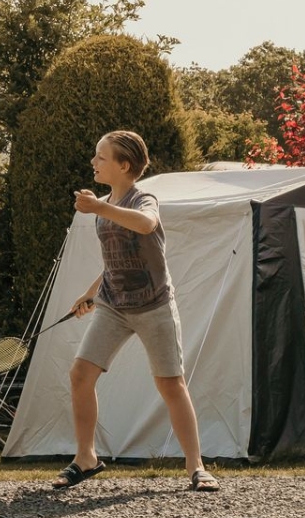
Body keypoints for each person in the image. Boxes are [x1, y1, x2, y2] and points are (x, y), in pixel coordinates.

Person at [53, 131, 218, 492]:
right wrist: (91, 293)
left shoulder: (144, 199)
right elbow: (115, 259)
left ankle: (197, 467)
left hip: (154, 305)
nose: (93, 163)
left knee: (170, 384)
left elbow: (146, 225)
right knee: (80, 374)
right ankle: (86, 458)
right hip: (113, 304)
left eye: (101, 157)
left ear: (123, 165)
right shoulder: (107, 203)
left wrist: (98, 207)